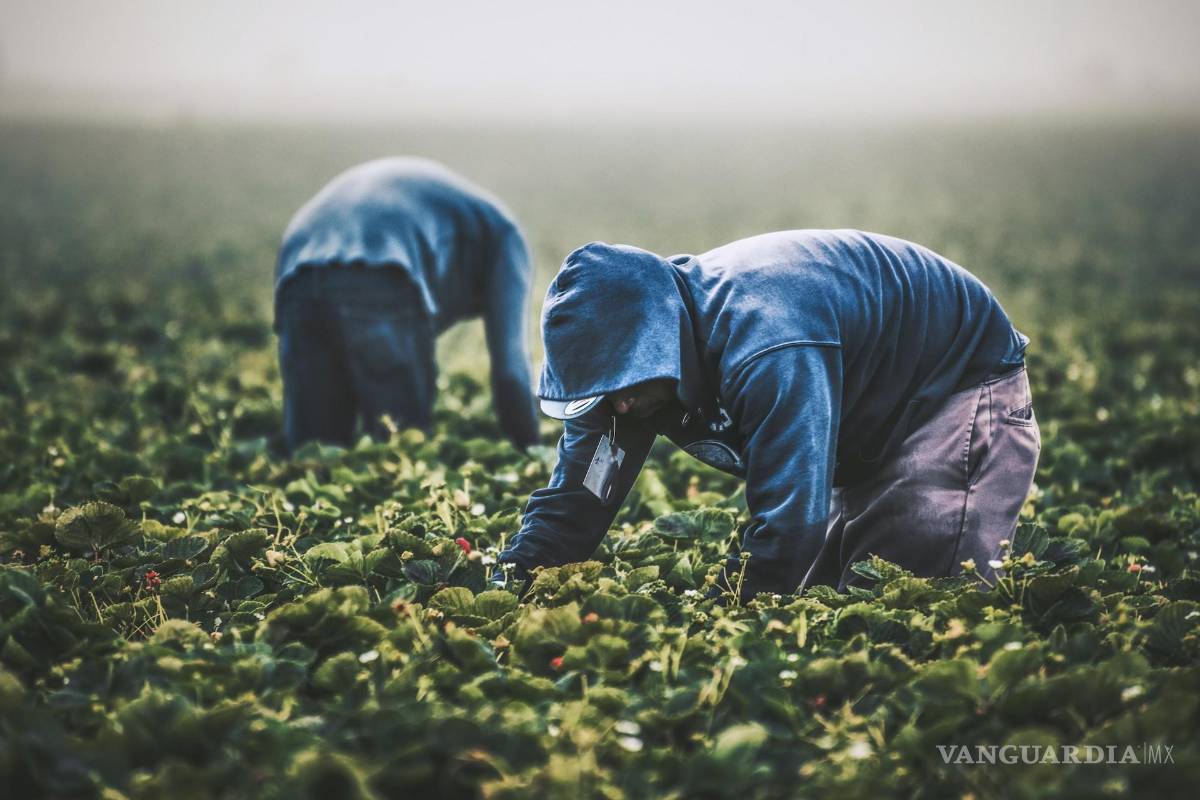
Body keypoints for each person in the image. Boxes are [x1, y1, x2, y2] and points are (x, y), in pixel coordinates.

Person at [496, 230, 1041, 600]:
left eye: (625, 385)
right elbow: (579, 497)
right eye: (601, 391)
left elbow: (789, 520)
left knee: (919, 596)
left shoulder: (768, 342)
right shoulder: (626, 384)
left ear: (660, 343)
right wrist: (512, 578)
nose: (619, 407)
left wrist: (724, 610)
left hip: (954, 386)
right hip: (863, 406)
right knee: (839, 596)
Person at [274, 157, 539, 453]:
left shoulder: (469, 223)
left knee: (314, 453)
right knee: (401, 447)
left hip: (297, 264)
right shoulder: (508, 240)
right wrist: (530, 451)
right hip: (380, 263)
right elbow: (511, 370)